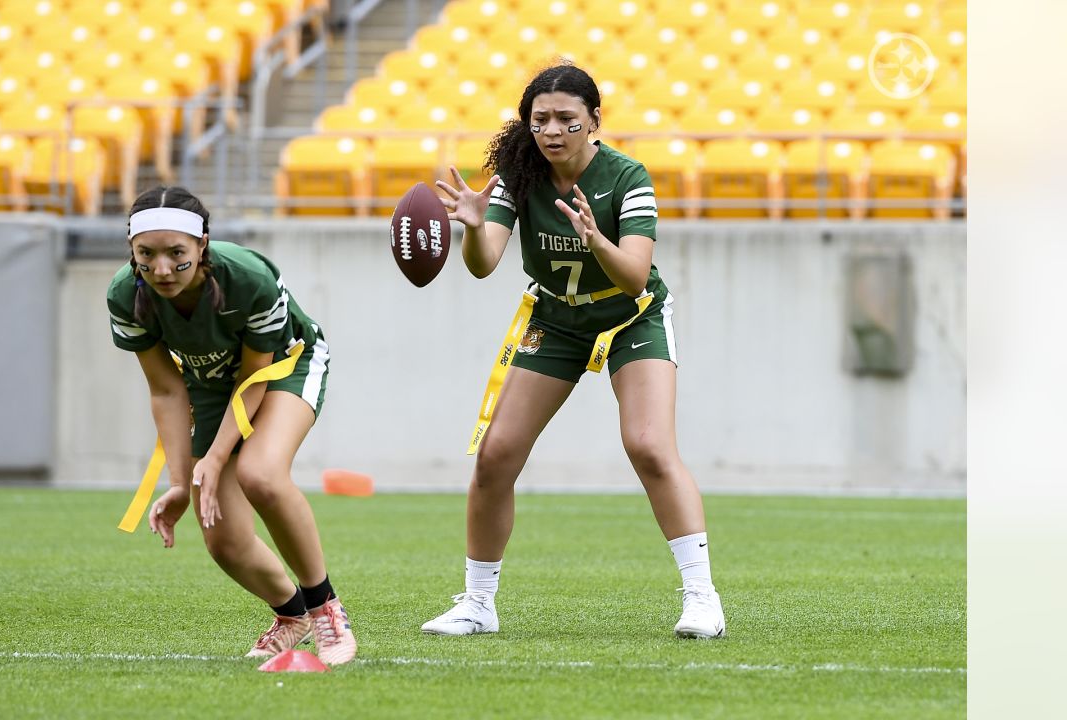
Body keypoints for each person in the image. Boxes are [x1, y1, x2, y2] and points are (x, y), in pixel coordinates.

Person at [420, 63, 726, 639]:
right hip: (557, 320)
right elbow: (485, 265)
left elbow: (635, 277)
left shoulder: (627, 176)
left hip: (630, 318)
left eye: (566, 119)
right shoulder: (518, 176)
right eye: (540, 120)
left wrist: (595, 239)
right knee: (495, 455)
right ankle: (478, 604)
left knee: (649, 445)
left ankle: (702, 598)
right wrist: (472, 226)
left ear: (594, 122)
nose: (552, 130)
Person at [107, 185, 357, 664]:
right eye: (147, 254)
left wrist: (218, 456)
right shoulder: (125, 294)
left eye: (176, 254)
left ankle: (326, 608)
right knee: (222, 538)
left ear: (202, 245)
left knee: (260, 474)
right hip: (209, 384)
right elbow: (166, 390)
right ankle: (292, 613)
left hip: (283, 367)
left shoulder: (247, 277)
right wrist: (181, 483)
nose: (161, 269)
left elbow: (254, 375)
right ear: (132, 250)